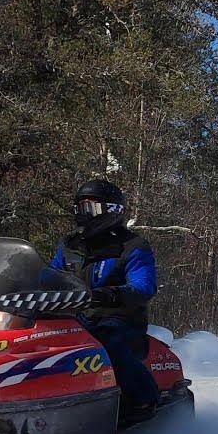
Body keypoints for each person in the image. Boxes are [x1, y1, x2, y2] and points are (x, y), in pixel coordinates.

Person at [50, 179, 160, 421]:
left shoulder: (132, 247)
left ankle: (144, 401)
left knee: (109, 343)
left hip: (119, 320)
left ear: (111, 210)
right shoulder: (69, 246)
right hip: (74, 319)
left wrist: (110, 294)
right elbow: (49, 276)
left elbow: (144, 285)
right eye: (79, 208)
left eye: (89, 208)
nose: (82, 214)